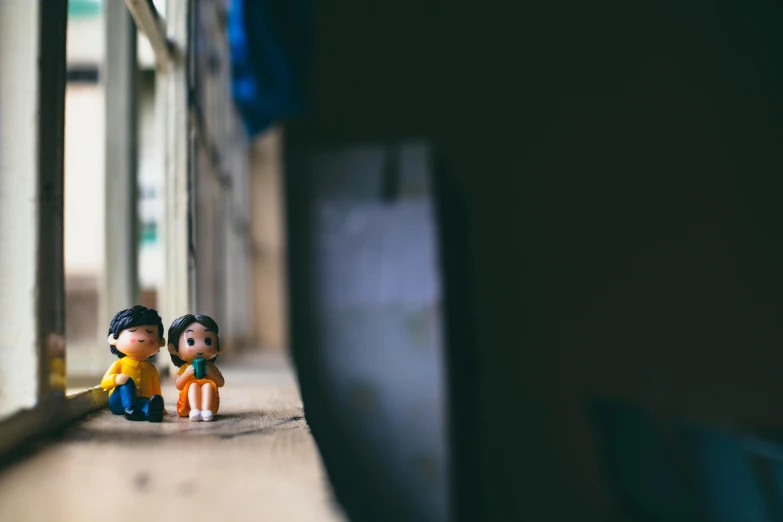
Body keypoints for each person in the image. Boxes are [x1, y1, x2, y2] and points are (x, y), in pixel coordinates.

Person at [100, 305, 166, 422]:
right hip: (118, 402)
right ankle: (129, 409)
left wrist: (160, 404)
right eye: (133, 331)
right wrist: (116, 379)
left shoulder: (151, 368)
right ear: (113, 339)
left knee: (146, 403)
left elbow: (156, 389)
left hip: (140, 401)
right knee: (127, 381)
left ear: (161, 341)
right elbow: (104, 383)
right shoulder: (119, 364)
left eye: (150, 332)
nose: (142, 338)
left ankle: (151, 413)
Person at [168, 314, 225, 421]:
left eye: (207, 341)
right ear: (174, 349)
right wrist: (186, 374)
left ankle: (206, 410)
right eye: (190, 342)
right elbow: (179, 385)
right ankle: (194, 410)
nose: (200, 347)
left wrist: (211, 373)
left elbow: (221, 383)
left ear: (218, 347)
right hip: (187, 402)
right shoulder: (185, 367)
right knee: (193, 385)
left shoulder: (211, 367)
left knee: (208, 385)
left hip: (210, 401)